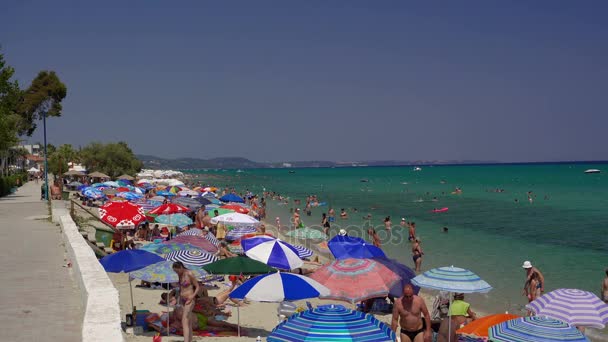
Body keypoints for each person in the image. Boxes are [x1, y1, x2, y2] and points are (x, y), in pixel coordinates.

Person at [172, 261, 201, 342]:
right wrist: (176, 298)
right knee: (188, 321)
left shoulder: (189, 274)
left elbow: (197, 286)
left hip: (189, 299)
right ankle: (190, 340)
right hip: (182, 300)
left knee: (184, 321)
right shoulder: (180, 275)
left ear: (181, 267)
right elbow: (181, 288)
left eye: (177, 271)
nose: (176, 272)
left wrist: (192, 296)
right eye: (175, 271)